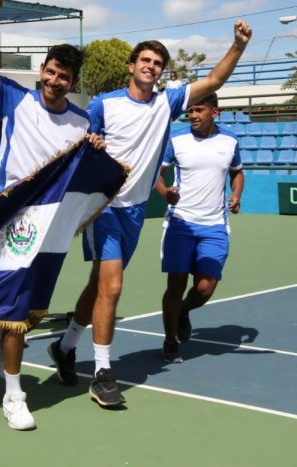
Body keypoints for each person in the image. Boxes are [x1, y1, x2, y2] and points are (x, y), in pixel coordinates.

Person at [51, 20, 252, 408]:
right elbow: (80, 142)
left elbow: (214, 80)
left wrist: (238, 47)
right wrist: (91, 144)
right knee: (112, 287)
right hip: (104, 207)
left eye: (158, 63)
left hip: (135, 211)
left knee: (98, 286)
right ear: (131, 65)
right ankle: (103, 374)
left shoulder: (167, 103)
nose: (151, 66)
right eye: (145, 60)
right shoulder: (104, 104)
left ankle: (66, 345)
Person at [0, 0, 100, 430]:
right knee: (16, 310)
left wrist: (96, 151)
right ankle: (14, 396)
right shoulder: (14, 98)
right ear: (42, 71)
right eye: (51, 72)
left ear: (72, 82)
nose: (55, 81)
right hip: (12, 223)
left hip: (51, 230)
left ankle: (4, 347)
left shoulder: (82, 123)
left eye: (64, 76)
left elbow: (84, 177)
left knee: (29, 309)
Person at [154, 92, 244, 362]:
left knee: (206, 287)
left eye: (199, 110)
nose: (192, 115)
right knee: (176, 283)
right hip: (180, 223)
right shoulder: (176, 139)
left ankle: (182, 311)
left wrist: (236, 194)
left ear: (214, 112)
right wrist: (165, 192)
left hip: (215, 225)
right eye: (190, 111)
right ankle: (170, 339)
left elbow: (237, 172)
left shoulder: (230, 140)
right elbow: (157, 174)